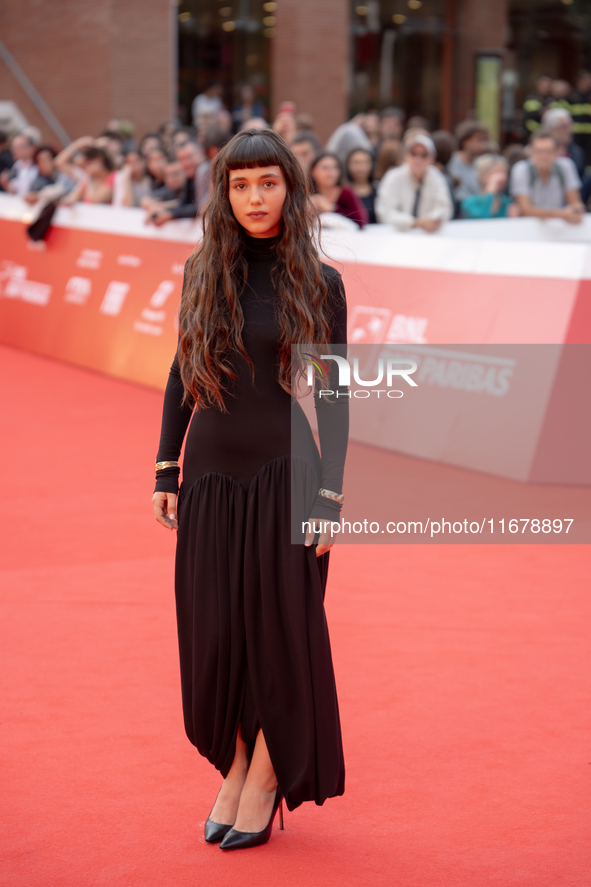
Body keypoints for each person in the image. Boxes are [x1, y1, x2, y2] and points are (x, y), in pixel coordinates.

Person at [151, 128, 347, 849]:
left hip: (284, 474)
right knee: (215, 631)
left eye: (267, 182)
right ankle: (232, 765)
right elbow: (181, 373)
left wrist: (331, 495)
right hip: (207, 473)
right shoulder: (203, 268)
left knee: (283, 631)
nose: (254, 198)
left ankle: (264, 776)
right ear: (223, 192)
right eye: (239, 185)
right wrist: (165, 467)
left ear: (289, 188)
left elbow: (334, 399)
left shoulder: (319, 281)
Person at [375, 133, 453, 232]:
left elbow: (444, 208)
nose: (418, 160)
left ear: (431, 159)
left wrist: (431, 220)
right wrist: (415, 223)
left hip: (429, 238)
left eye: (423, 155)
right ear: (406, 156)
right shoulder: (393, 177)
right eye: (414, 154)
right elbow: (385, 212)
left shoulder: (436, 177)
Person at [509, 130, 583, 224]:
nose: (544, 156)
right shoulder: (522, 169)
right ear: (531, 152)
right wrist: (563, 214)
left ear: (557, 152)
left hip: (558, 229)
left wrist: (576, 211)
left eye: (548, 151)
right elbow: (525, 210)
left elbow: (576, 203)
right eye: (539, 151)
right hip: (528, 229)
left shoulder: (566, 166)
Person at [149, 139, 205, 225]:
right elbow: (184, 204)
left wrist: (170, 214)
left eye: (189, 157)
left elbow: (202, 208)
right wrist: (165, 212)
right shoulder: (189, 178)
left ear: (201, 154)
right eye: (182, 159)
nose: (186, 163)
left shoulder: (208, 173)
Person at [309, 152, 369, 227]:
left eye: (335, 167)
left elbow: (362, 220)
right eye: (325, 168)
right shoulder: (306, 193)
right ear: (313, 171)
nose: (330, 171)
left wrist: (333, 208)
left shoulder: (346, 192)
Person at [461, 155, 518, 219]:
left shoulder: (507, 202)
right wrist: (490, 190)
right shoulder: (469, 203)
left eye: (504, 172)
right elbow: (483, 220)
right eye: (497, 172)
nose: (503, 177)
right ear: (483, 176)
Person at [448, 121, 490, 203]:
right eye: (479, 140)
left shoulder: (483, 164)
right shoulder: (451, 163)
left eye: (485, 141)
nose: (483, 145)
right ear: (465, 141)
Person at [541, 107, 585, 178]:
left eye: (570, 125)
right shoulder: (535, 152)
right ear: (551, 129)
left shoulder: (577, 152)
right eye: (564, 126)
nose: (570, 130)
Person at [0, 133, 38, 197]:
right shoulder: (17, 165)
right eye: (13, 147)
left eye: (18, 147)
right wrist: (6, 184)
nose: (14, 150)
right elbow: (14, 192)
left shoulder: (37, 166)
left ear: (30, 148)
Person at [346, 147, 377, 223]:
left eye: (365, 162)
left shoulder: (379, 190)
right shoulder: (343, 192)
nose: (360, 167)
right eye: (356, 162)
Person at [568, 71, 591, 169]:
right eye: (587, 80)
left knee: (588, 159)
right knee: (576, 157)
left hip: (589, 135)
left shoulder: (589, 96)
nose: (589, 82)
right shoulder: (572, 96)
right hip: (575, 134)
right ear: (579, 81)